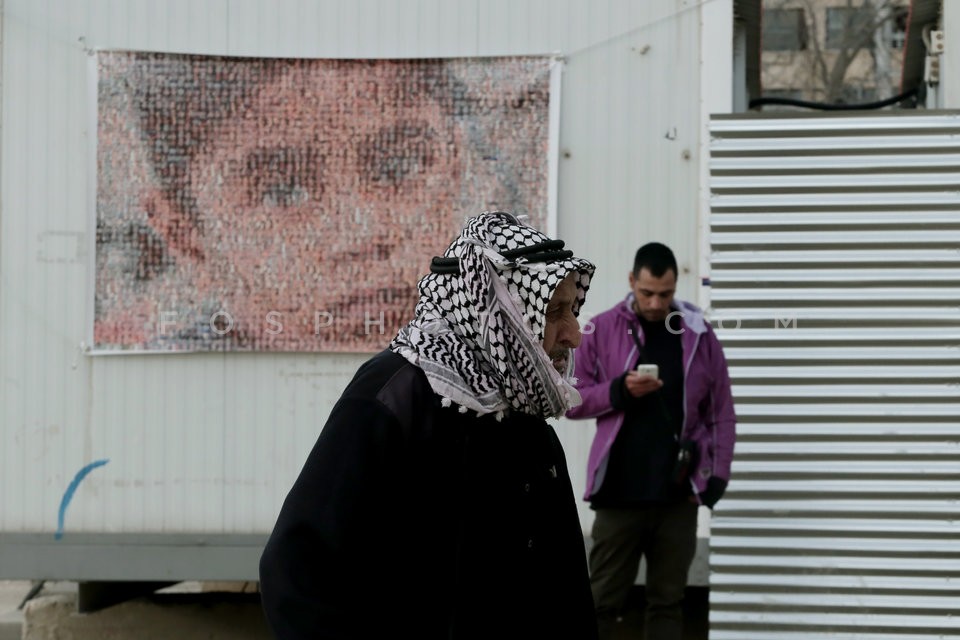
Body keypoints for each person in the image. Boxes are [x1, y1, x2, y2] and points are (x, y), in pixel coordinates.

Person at [259, 211, 599, 639]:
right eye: (554, 312)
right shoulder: (394, 394)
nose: (573, 334)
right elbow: (298, 568)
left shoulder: (523, 412)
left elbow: (563, 582)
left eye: (572, 310)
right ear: (498, 312)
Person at [94, 54, 554, 352]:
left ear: (453, 164)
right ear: (186, 237)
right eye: (282, 191)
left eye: (398, 166)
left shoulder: (503, 363)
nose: (362, 236)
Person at [565, 242, 736, 640]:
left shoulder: (697, 333)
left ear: (675, 286)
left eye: (665, 293)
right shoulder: (602, 327)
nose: (657, 303)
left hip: (677, 496)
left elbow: (721, 411)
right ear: (631, 282)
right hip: (618, 494)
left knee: (667, 605)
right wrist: (619, 391)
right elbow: (570, 398)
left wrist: (718, 477)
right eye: (647, 293)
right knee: (601, 604)